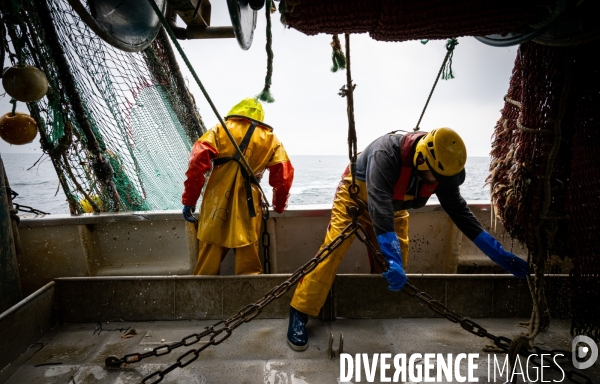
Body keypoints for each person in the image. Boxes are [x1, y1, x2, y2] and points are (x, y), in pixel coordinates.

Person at [286, 127, 528, 351]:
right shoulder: (385, 153)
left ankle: (376, 308)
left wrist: (498, 254)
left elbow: (462, 214)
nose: (440, 185)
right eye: (437, 179)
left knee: (399, 257)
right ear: (421, 159)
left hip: (393, 207)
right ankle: (300, 310)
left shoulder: (441, 170)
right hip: (355, 201)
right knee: (332, 251)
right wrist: (391, 259)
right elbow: (379, 206)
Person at [181, 98, 294, 275]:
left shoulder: (220, 129)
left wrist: (189, 200)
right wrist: (279, 205)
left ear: (237, 110)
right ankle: (250, 299)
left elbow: (196, 163)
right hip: (247, 209)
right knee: (248, 262)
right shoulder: (271, 139)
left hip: (215, 205)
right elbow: (284, 176)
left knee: (208, 261)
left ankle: (202, 299)